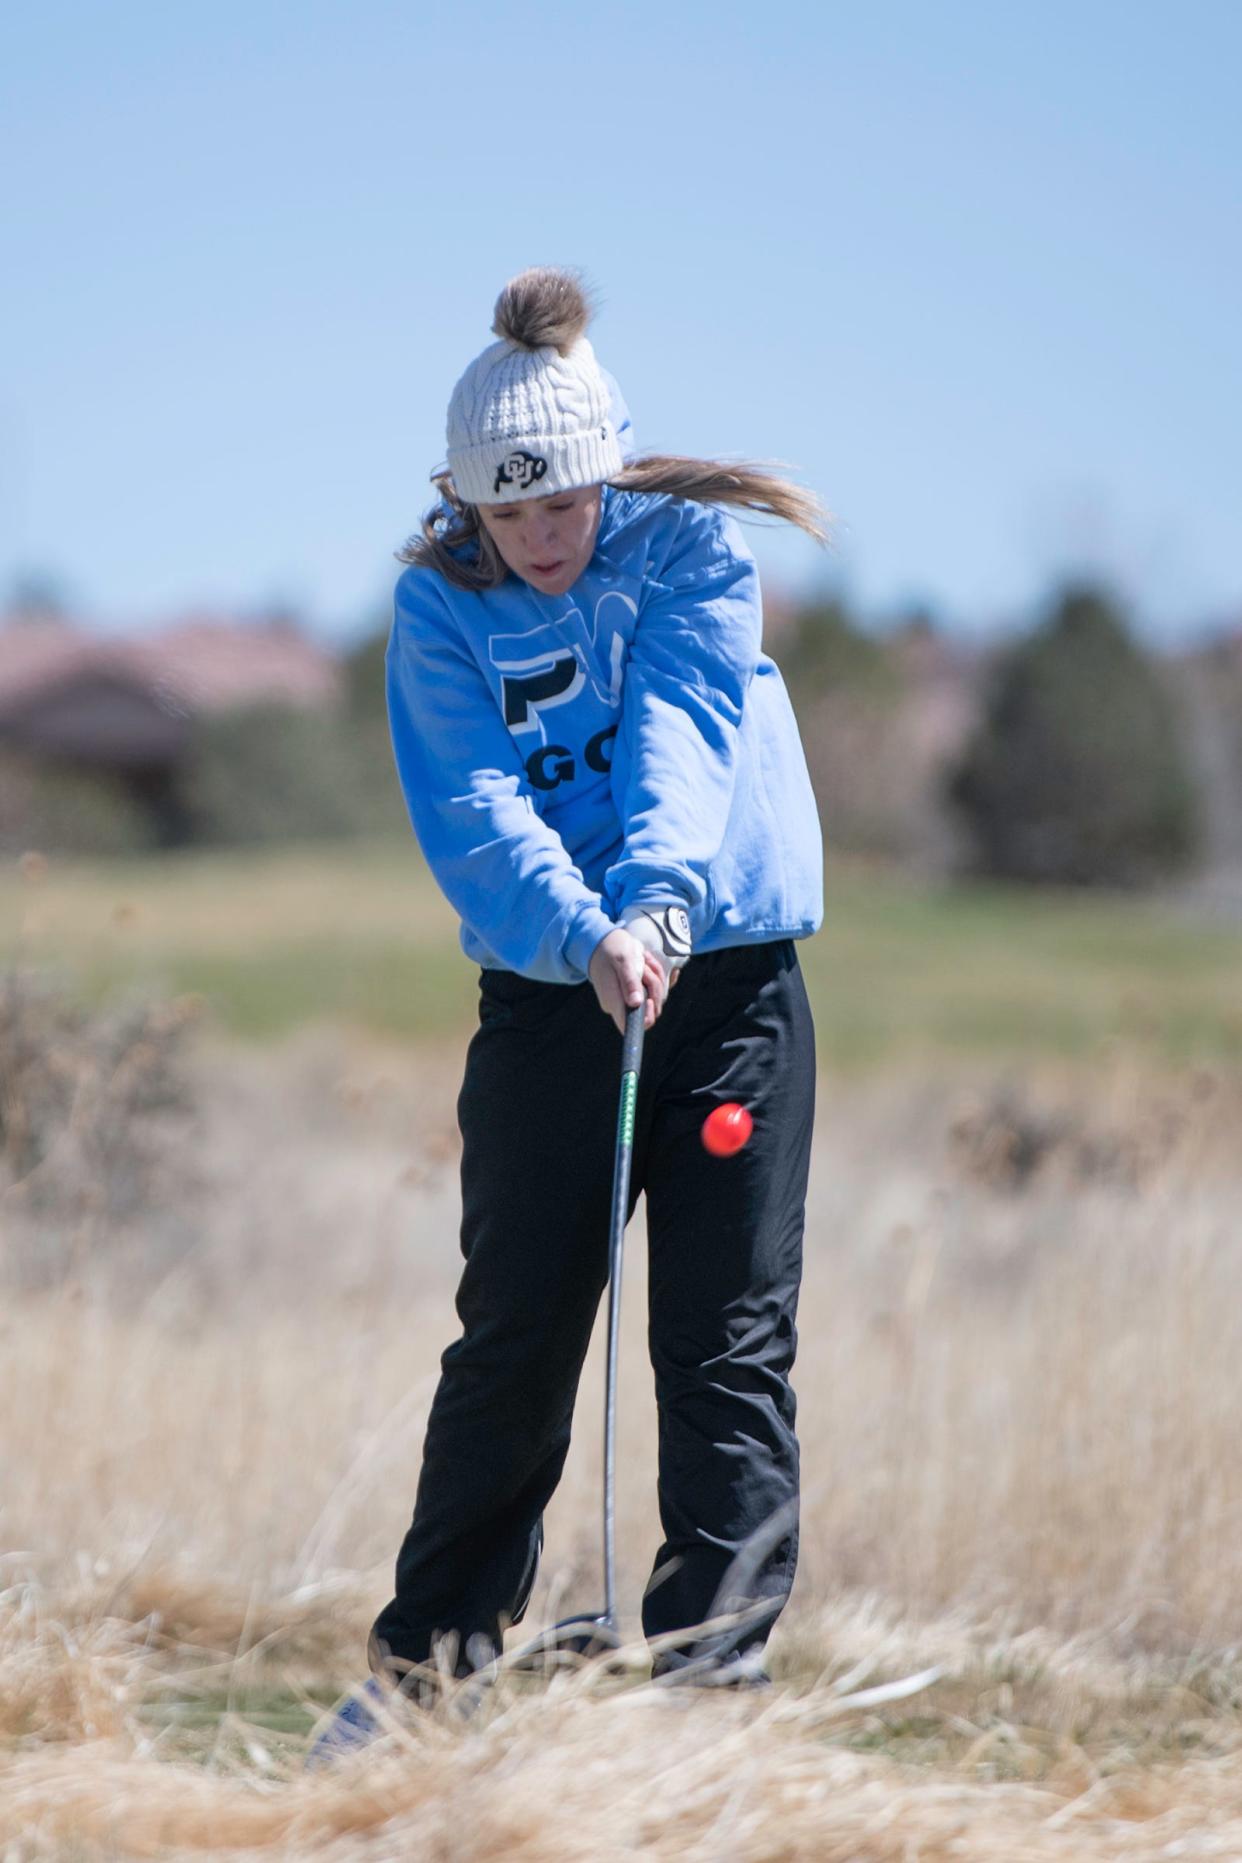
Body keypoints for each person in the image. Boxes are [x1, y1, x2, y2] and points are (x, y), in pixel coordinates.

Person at [310, 266, 825, 1759]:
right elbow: (469, 800)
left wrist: (656, 902)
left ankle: (706, 1693)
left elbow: (686, 727)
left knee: (722, 1342)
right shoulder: (438, 606)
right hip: (550, 1001)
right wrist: (583, 933)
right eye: (508, 514)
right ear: (464, 502)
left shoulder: (690, 557)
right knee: (517, 1335)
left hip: (723, 986)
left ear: (608, 468)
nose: (541, 539)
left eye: (565, 504)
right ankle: (430, 1681)